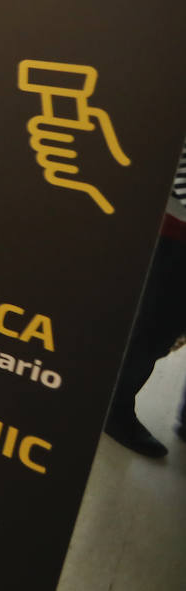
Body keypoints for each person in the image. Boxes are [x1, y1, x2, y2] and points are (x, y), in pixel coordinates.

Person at [105, 142, 186, 457]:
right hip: (174, 219)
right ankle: (114, 406)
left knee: (158, 323)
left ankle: (114, 402)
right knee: (154, 326)